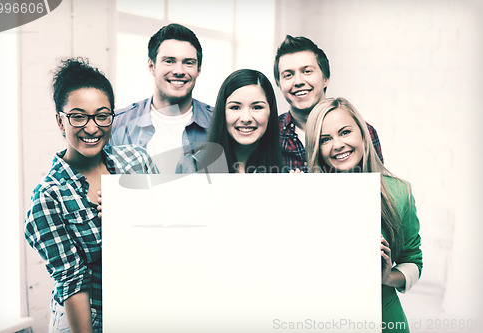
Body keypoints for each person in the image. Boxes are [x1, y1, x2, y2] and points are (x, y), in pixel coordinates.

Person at [24, 58, 156, 333]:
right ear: (60, 121)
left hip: (140, 304)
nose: (93, 127)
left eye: (102, 115)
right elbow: (72, 284)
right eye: (78, 116)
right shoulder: (49, 198)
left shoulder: (137, 161)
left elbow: (170, 222)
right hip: (88, 318)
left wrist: (135, 213)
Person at [305, 97, 422, 332]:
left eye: (345, 132)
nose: (337, 144)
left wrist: (387, 277)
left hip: (383, 319)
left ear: (362, 133)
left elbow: (413, 260)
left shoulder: (399, 192)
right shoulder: (306, 198)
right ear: (316, 148)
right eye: (325, 139)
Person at [110, 23, 213, 174]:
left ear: (199, 70)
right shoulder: (117, 125)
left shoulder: (219, 122)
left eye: (188, 63)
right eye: (169, 61)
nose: (179, 71)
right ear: (152, 66)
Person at [274, 35, 384, 172]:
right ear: (279, 84)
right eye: (288, 75)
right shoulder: (270, 135)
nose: (298, 82)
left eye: (307, 71)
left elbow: (375, 188)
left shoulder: (363, 132)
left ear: (325, 78)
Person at [177, 69, 282, 173]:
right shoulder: (191, 166)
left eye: (257, 107)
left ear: (270, 111)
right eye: (235, 107)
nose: (246, 119)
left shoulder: (285, 170)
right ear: (222, 111)